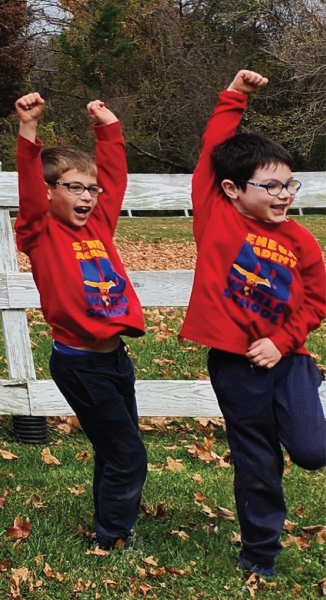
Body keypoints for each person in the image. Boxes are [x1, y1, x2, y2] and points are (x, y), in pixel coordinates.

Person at [178, 70, 326, 580]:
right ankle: (260, 552)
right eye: (271, 186)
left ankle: (315, 393)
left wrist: (283, 343)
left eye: (289, 184)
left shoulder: (301, 242)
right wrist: (235, 96)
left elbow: (317, 303)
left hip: (290, 363)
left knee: (312, 451)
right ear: (231, 190)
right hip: (235, 367)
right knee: (257, 462)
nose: (284, 194)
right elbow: (212, 148)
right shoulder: (216, 218)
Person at [13, 92, 147, 551]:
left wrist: (108, 129)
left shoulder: (98, 225)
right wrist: (28, 130)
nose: (88, 197)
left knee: (115, 450)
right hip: (80, 363)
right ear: (49, 192)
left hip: (115, 360)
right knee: (128, 455)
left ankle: (110, 524)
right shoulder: (40, 233)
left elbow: (115, 177)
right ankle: (112, 537)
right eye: (74, 188)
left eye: (91, 190)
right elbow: (27, 193)